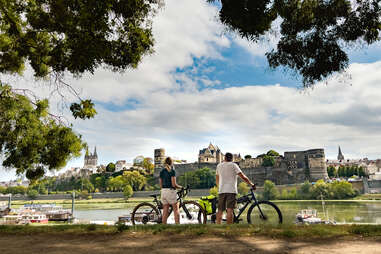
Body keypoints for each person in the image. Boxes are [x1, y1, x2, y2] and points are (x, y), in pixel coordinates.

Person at [216, 152, 255, 224]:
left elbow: (217, 178)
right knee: (230, 210)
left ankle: (218, 226)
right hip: (231, 190)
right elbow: (243, 176)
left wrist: (219, 187)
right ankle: (229, 227)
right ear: (232, 158)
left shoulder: (219, 166)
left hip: (221, 190)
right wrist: (251, 184)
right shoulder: (234, 165)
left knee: (220, 210)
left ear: (224, 158)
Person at [159, 157, 182, 224]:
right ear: (171, 163)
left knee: (165, 210)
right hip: (170, 191)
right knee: (176, 209)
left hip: (163, 191)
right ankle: (177, 225)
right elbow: (174, 184)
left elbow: (160, 185)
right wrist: (180, 187)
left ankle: (164, 226)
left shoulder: (162, 171)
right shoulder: (172, 171)